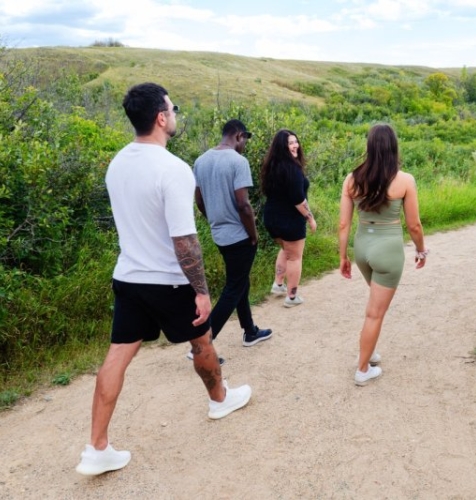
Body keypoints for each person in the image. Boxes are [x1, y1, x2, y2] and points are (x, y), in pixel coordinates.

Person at [76, 83, 251, 476]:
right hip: (169, 280)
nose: (175, 114)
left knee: (117, 356)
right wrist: (202, 291)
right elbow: (185, 241)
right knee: (202, 340)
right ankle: (219, 399)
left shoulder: (117, 163)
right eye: (173, 108)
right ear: (160, 117)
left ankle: (96, 447)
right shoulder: (174, 169)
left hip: (129, 275)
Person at [338, 123, 428, 386]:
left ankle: (370, 351)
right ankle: (362, 369)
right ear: (393, 147)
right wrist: (421, 250)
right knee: (375, 313)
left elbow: (343, 225)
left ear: (369, 146)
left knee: (375, 309)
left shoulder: (351, 179)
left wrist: (343, 257)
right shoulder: (405, 180)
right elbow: (414, 225)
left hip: (362, 248)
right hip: (388, 250)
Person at [193, 119, 272, 351]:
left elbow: (199, 200)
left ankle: (250, 331)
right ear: (239, 136)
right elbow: (244, 205)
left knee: (240, 281)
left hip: (219, 235)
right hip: (240, 236)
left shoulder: (201, 161)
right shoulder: (238, 161)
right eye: (245, 139)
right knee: (233, 288)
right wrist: (253, 234)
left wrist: (215, 220)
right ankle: (203, 342)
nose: (245, 144)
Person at [260, 129, 317, 308]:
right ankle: (292, 297)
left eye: (295, 142)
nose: (295, 146)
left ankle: (278, 285)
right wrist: (310, 218)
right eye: (290, 143)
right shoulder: (292, 169)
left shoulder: (271, 166)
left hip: (271, 218)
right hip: (289, 221)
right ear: (282, 147)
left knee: (286, 249)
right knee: (295, 257)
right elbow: (298, 199)